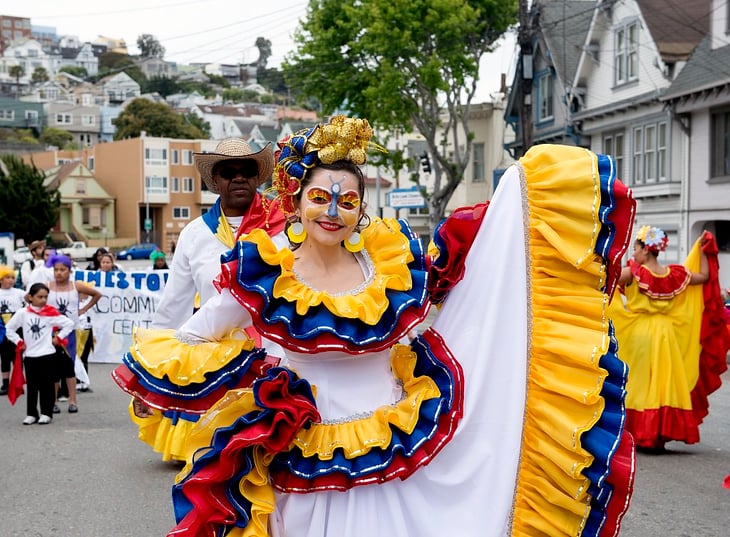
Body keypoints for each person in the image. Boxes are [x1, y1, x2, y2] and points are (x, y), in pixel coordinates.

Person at [114, 118, 637, 537]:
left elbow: (442, 314)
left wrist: (514, 214)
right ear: (295, 202)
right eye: (320, 198)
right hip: (306, 459)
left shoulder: (387, 269)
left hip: (393, 446)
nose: (333, 211)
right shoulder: (266, 273)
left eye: (347, 201)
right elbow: (191, 337)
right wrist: (252, 381)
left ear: (361, 208)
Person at [129, 138, 287, 463]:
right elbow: (173, 305)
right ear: (215, 182)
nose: (239, 178)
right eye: (229, 172)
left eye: (247, 171)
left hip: (277, 354)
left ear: (259, 178)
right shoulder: (194, 233)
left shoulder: (285, 228)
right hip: (215, 361)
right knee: (218, 463)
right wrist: (150, 378)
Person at [609, 225, 730, 452]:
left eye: (635, 249)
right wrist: (703, 250)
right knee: (664, 383)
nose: (633, 254)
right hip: (667, 335)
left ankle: (640, 431)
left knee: (640, 383)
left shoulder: (633, 272)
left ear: (646, 250)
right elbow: (704, 276)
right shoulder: (675, 274)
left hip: (640, 334)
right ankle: (658, 434)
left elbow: (608, 281)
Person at [5, 282, 75, 424]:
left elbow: (69, 323)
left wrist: (59, 337)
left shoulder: (50, 312)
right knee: (32, 385)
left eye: (45, 297)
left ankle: (46, 412)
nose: (43, 300)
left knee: (47, 385)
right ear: (30, 297)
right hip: (30, 355)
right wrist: (19, 342)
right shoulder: (22, 313)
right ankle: (31, 413)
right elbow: (9, 328)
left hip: (48, 354)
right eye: (39, 297)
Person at [46, 254, 102, 413]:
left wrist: (84, 309)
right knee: (53, 369)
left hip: (70, 332)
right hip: (52, 332)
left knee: (69, 367)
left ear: (69, 271)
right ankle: (53, 401)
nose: (59, 273)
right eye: (56, 270)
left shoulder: (76, 286)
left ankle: (73, 401)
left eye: (62, 270)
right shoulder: (47, 286)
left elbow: (97, 294)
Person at [0, 265, 26, 395]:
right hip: (2, 328)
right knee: (4, 356)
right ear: (1, 279)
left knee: (17, 356)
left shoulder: (19, 293)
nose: (11, 280)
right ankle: (5, 384)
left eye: (12, 278)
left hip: (16, 327)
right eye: (7, 277)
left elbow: (29, 301)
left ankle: (18, 383)